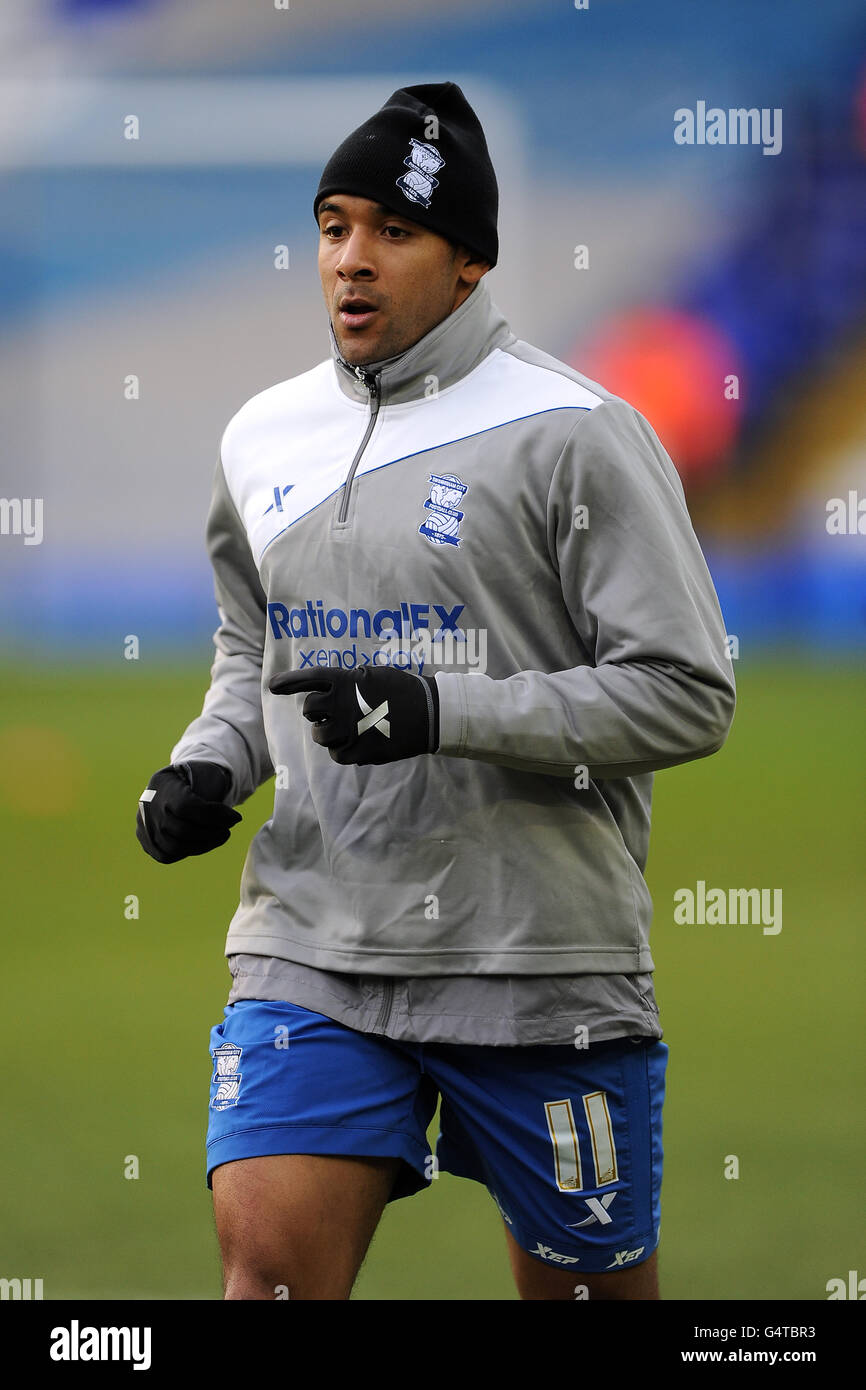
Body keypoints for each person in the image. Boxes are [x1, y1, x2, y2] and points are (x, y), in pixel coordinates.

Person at [136, 82, 736, 1301]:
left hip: (538, 965)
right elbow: (257, 652)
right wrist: (209, 760)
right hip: (311, 948)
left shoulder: (577, 432)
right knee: (267, 1280)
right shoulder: (263, 437)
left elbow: (686, 692)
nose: (349, 261)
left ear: (467, 263)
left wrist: (440, 708)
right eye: (332, 225)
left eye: (390, 232)